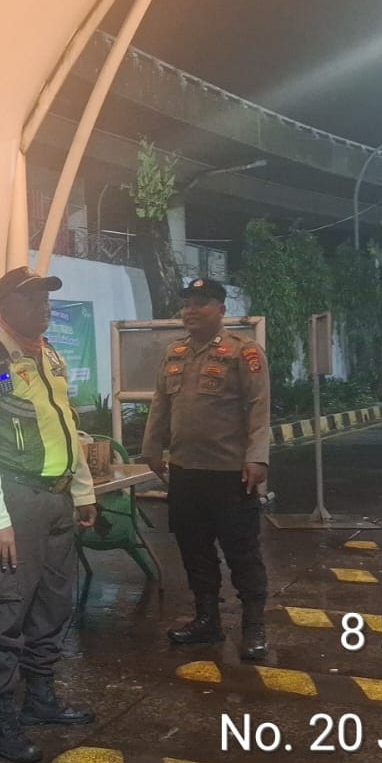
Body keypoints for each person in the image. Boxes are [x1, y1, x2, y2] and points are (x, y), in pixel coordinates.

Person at [0, 266, 98, 763]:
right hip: (15, 502)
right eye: (31, 298)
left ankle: (40, 698)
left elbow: (67, 426)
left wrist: (82, 490)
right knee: (6, 609)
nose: (43, 307)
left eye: (45, 298)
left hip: (56, 498)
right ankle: (1, 720)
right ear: (4, 308)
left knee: (52, 604)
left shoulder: (50, 357)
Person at [140, 277, 272, 662]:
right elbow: (160, 404)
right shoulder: (175, 353)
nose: (191, 311)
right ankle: (207, 620)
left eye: (201, 303)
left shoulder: (244, 352)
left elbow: (259, 407)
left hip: (230, 474)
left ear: (221, 309)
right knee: (194, 551)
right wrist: (151, 448)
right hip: (185, 472)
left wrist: (257, 457)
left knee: (242, 553)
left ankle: (253, 627)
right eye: (187, 304)